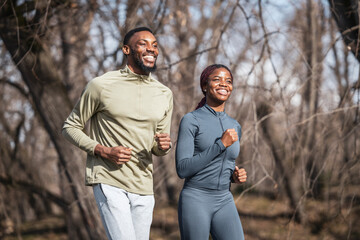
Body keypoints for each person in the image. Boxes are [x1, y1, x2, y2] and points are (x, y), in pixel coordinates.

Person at [62, 27, 173, 240]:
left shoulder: (164, 94)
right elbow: (70, 127)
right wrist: (103, 150)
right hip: (109, 178)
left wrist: (163, 146)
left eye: (155, 45)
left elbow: (158, 148)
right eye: (143, 44)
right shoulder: (101, 85)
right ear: (126, 49)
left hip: (144, 185)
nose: (151, 49)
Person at [175, 64, 247, 240]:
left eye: (228, 81)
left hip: (224, 199)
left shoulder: (235, 125)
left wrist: (233, 176)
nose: (223, 84)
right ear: (204, 86)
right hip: (196, 199)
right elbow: (182, 169)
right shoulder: (191, 120)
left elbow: (222, 163)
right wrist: (220, 145)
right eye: (217, 79)